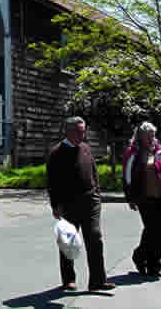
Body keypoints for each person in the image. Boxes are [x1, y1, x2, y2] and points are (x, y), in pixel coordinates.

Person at [47, 116, 116, 292]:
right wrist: (55, 205)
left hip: (91, 202)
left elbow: (93, 171)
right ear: (68, 132)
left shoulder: (85, 148)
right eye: (79, 131)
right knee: (68, 242)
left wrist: (97, 194)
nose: (82, 134)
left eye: (83, 131)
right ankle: (68, 279)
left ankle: (98, 281)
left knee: (95, 238)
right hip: (69, 204)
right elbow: (52, 182)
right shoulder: (56, 153)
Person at [122, 121, 161, 277]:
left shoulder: (160, 149)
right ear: (140, 136)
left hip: (160, 196)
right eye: (148, 135)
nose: (152, 138)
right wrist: (130, 198)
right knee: (151, 230)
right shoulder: (133, 152)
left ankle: (155, 266)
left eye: (153, 134)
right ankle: (140, 256)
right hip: (143, 197)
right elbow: (127, 176)